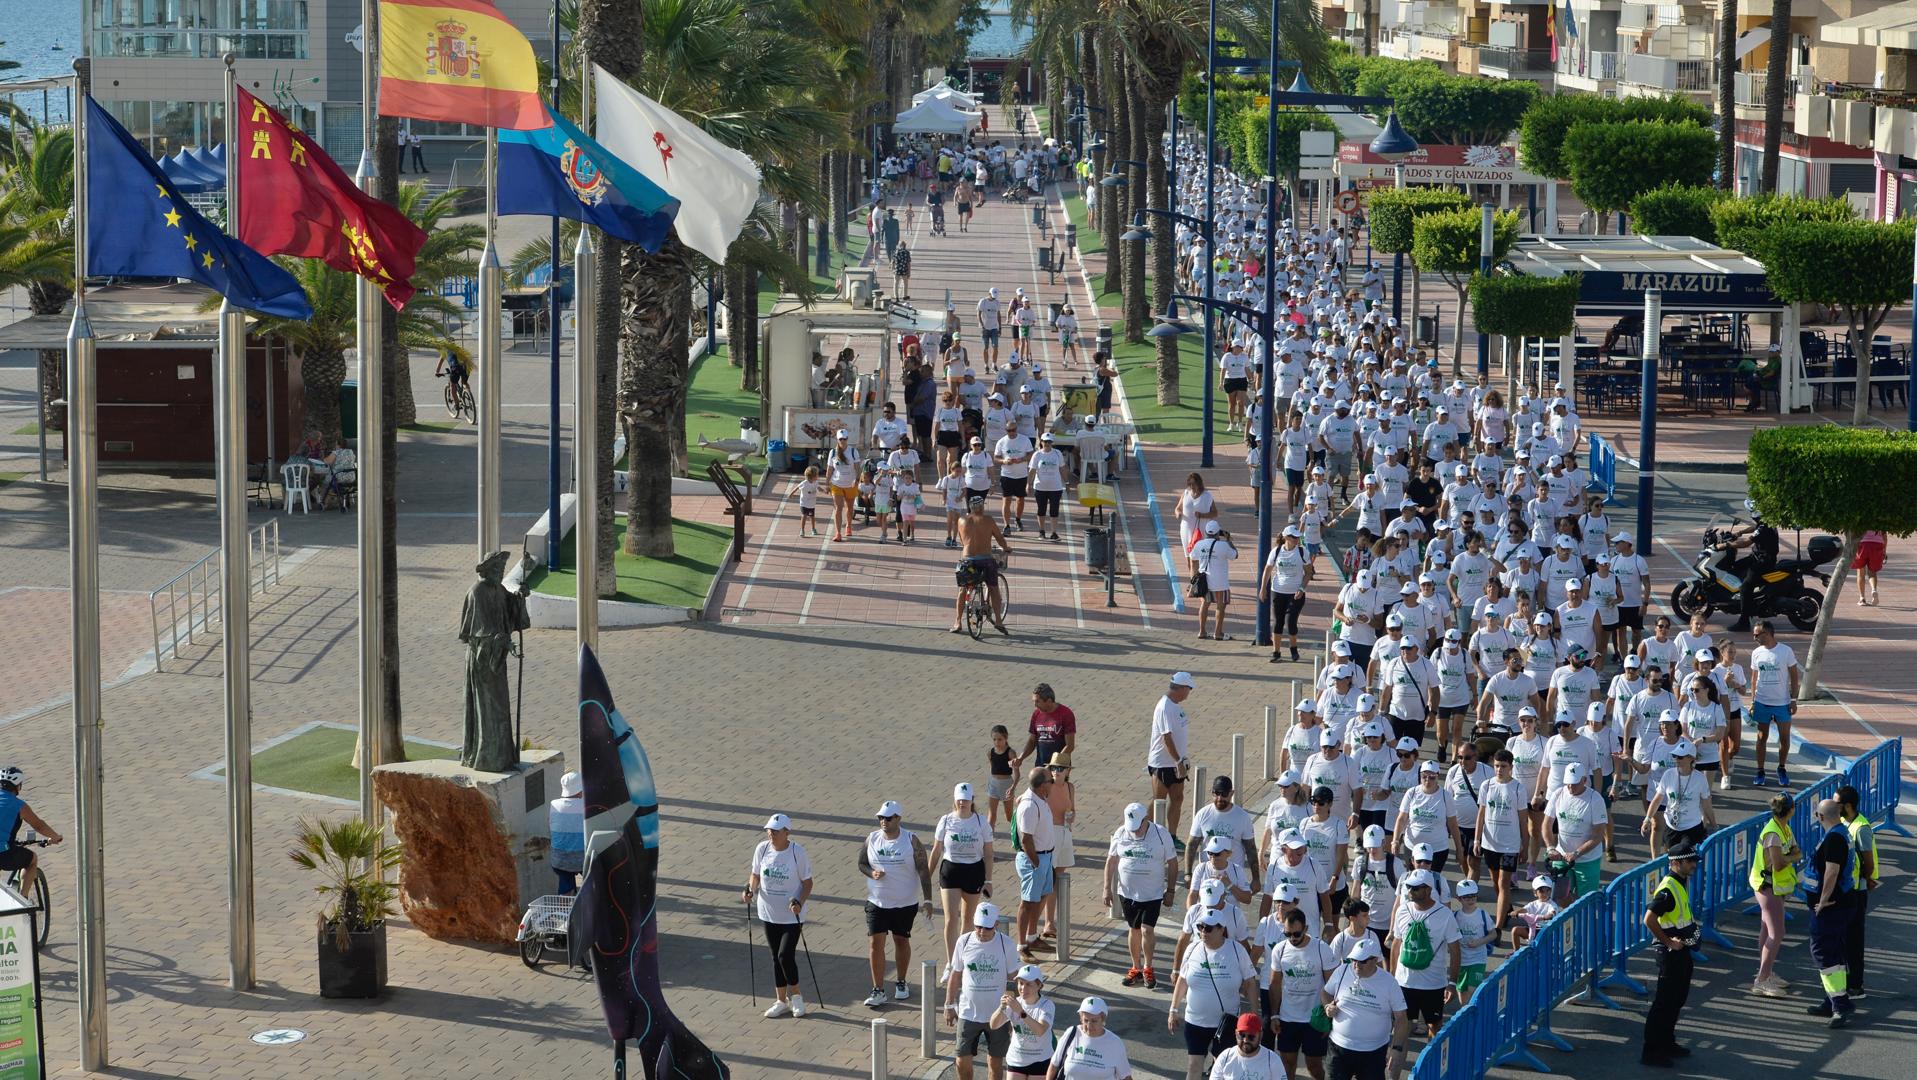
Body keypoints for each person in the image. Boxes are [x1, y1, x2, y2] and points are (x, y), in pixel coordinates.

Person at [860, 800, 934, 1008]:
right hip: (877, 902)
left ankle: (901, 982)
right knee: (876, 944)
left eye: (888, 818)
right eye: (881, 818)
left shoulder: (911, 840)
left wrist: (928, 900)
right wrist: (871, 873)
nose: (884, 821)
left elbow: (923, 869)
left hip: (905, 903)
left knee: (901, 941)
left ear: (898, 819)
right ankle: (878, 990)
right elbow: (862, 863)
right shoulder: (872, 839)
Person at [1169, 911, 1260, 1080]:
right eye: (1200, 927)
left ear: (1221, 929)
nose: (1203, 932)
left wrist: (1254, 1013)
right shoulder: (1192, 948)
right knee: (1194, 1065)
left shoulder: (1236, 950)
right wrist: (1173, 1009)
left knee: (1222, 1068)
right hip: (1195, 1021)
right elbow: (1182, 980)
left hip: (1225, 1022)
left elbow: (1250, 982)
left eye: (1208, 928)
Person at [745, 812, 815, 1018]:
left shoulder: (797, 852)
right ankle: (780, 1001)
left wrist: (799, 902)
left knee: (785, 955)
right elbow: (755, 875)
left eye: (775, 831)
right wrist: (750, 889)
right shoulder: (762, 848)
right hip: (768, 912)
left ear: (786, 832)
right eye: (769, 830)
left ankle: (797, 998)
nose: (771, 834)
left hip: (792, 916)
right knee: (776, 957)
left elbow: (807, 883)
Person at [1640, 837, 1700, 1067]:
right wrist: (1668, 942)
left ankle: (1667, 1042)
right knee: (1664, 1003)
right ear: (1677, 862)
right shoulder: (1667, 889)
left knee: (1677, 999)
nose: (1694, 864)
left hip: (1682, 952)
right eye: (1690, 861)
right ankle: (1652, 1051)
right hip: (1671, 954)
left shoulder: (1680, 882)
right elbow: (1649, 919)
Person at [1106, 800, 1179, 989]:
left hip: (1152, 893)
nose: (1135, 831)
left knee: (1147, 929)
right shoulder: (1121, 833)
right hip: (1128, 892)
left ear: (1146, 819)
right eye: (1132, 827)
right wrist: (1107, 888)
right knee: (1134, 929)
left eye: (1138, 827)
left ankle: (1148, 967)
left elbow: (1172, 863)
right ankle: (1136, 967)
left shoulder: (1161, 834)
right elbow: (1111, 861)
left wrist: (1170, 890)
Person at [945, 901, 1021, 1080]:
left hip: (998, 1014)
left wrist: (1013, 1013)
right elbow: (955, 975)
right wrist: (949, 1004)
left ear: (996, 924)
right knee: (961, 1061)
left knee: (995, 1064)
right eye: (978, 926)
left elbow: (1014, 979)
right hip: (968, 1012)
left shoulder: (1006, 944)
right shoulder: (964, 942)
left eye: (987, 928)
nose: (982, 932)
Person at [931, 784, 996, 979]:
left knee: (968, 920)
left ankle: (962, 961)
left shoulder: (980, 822)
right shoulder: (946, 821)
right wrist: (926, 875)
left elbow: (989, 853)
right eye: (959, 799)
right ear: (954, 799)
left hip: (973, 871)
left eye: (966, 799)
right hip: (951, 870)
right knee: (951, 919)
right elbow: (936, 850)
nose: (962, 802)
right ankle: (951, 963)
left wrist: (988, 880)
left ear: (972, 800)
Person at [1320, 936, 1409, 1080]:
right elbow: (1325, 992)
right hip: (1338, 1048)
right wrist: (1327, 1007)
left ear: (1375, 960)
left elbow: (1401, 1018)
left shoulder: (1389, 982)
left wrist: (1396, 1048)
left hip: (1373, 1053)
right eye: (1354, 960)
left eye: (1362, 961)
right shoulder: (1342, 971)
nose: (1356, 965)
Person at [1387, 869, 1460, 1038]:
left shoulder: (1445, 915)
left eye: (1415, 888)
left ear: (1428, 889)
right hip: (1404, 982)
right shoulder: (1402, 910)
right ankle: (1398, 1064)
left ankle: (1432, 1064)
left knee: (1434, 1026)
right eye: (1409, 887)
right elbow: (1397, 944)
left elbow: (1455, 950)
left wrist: (1452, 983)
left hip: (1433, 984)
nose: (1410, 891)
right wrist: (1391, 977)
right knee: (1401, 1026)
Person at [1804, 799, 1858, 1028]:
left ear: (1820, 816)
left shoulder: (1834, 838)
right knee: (1834, 951)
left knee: (1823, 953)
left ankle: (1839, 1004)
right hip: (1842, 903)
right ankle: (1831, 1000)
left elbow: (1832, 871)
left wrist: (1823, 900)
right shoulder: (1841, 833)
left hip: (1831, 907)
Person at [1266, 908, 1336, 1080]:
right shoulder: (1280, 950)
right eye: (1287, 934)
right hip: (1288, 1018)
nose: (1292, 938)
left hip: (1314, 1019)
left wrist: (1330, 1019)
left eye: (1296, 934)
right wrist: (1274, 1015)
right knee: (1287, 1064)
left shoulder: (1322, 949)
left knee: (1314, 1065)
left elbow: (1333, 985)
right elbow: (1274, 984)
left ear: (1306, 929)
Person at [1748, 792, 1799, 998]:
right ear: (1791, 810)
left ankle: (1765, 971)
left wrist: (1791, 855)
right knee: (1776, 933)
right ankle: (1761, 980)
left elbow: (1794, 851)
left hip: (1774, 886)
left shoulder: (1784, 828)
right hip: (1767, 885)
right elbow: (1778, 864)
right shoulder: (1773, 833)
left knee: (1766, 928)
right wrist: (1793, 857)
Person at [1474, 749, 1524, 935]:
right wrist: (1477, 839)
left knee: (1503, 883)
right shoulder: (1487, 785)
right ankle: (1508, 907)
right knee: (1496, 882)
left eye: (1503, 766)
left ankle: (1498, 927)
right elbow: (1481, 813)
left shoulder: (1518, 788)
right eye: (1496, 766)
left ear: (1511, 767)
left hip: (1510, 845)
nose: (1499, 770)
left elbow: (1523, 818)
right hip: (1489, 843)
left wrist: (1523, 844)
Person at [1542, 763, 1609, 898]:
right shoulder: (1558, 794)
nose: (1570, 787)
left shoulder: (1595, 799)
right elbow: (1546, 824)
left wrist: (1577, 853)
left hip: (1587, 860)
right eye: (1568, 783)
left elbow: (1598, 835)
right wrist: (1550, 848)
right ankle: (1571, 918)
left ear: (1584, 780)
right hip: (1562, 857)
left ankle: (1582, 918)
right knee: (1559, 896)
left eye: (1575, 783)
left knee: (1586, 900)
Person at [1837, 783, 1879, 999]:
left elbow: (1868, 862)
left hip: (1857, 891)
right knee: (1844, 937)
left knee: (1854, 939)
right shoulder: (1845, 822)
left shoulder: (1861, 828)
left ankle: (1856, 985)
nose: (1836, 807)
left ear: (1849, 806)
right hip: (1847, 889)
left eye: (1838, 804)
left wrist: (1866, 878)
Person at [1747, 621, 1800, 789]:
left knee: (1784, 738)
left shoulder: (1786, 651)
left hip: (1782, 703)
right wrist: (1753, 701)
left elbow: (1794, 677)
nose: (1754, 637)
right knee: (1761, 737)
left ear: (1768, 633)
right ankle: (1760, 770)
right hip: (1762, 701)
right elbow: (1754, 678)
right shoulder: (1756, 653)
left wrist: (1793, 700)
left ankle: (1782, 768)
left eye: (1757, 634)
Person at [1149, 672, 1197, 842]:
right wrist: (1178, 761)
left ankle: (1172, 836)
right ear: (1181, 688)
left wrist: (1180, 761)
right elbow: (1166, 738)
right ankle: (1142, 832)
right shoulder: (1165, 707)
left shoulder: (1175, 705)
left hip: (1176, 762)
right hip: (1163, 763)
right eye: (1188, 689)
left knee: (1177, 798)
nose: (1189, 692)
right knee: (1158, 802)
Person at [954, 497, 1012, 635]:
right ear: (981, 507)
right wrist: (1006, 548)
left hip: (968, 560)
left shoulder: (961, 520)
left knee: (963, 590)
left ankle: (957, 621)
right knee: (993, 588)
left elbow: (962, 540)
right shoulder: (988, 520)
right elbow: (999, 537)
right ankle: (998, 620)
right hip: (986, 560)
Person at [1261, 525, 1313, 664]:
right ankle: (1276, 652)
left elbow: (1308, 572)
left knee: (1291, 622)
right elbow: (1267, 570)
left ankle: (1293, 648)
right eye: (1294, 537)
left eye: (1298, 537)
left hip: (1296, 593)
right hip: (1278, 591)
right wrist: (1263, 588)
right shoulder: (1276, 551)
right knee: (1278, 622)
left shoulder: (1302, 552)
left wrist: (1302, 588)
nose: (1297, 539)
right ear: (1286, 538)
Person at [1046, 996, 1132, 1079]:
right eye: (1086, 1020)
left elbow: (1125, 1076)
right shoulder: (1071, 1034)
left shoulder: (1115, 1043)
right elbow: (1054, 1065)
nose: (1089, 1026)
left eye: (1094, 1021)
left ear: (1103, 1020)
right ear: (1081, 1019)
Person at [995, 963, 1057, 1078]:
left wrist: (1021, 1012)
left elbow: (1040, 1030)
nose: (1023, 988)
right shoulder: (1013, 1003)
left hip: (1040, 1060)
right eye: (1021, 983)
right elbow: (994, 1025)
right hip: (1016, 1059)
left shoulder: (1047, 1005)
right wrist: (1001, 1007)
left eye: (1029, 984)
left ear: (1039, 986)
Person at [1196, 521, 1240, 641]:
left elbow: (1192, 557)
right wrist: (1229, 540)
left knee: (1204, 604)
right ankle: (1218, 632)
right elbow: (1235, 555)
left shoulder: (1199, 544)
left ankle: (1202, 631)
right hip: (1220, 581)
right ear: (1218, 533)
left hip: (1205, 579)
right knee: (1221, 606)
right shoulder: (1223, 545)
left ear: (1206, 532)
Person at [1211, 1013, 1286, 1079]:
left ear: (1261, 1035)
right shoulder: (1225, 1058)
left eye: (1251, 1036)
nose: (1245, 1040)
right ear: (1236, 1033)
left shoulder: (1272, 1060)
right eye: (1242, 1035)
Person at [1022, 684, 1078, 769]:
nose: (1035, 705)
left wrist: (1052, 765)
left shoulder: (1066, 714)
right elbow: (1032, 741)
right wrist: (1020, 758)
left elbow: (1070, 746)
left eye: (1037, 701)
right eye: (1033, 701)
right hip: (1040, 766)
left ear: (1049, 701)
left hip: (1059, 769)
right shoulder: (1036, 714)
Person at [547, 770, 585, 894]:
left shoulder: (554, 805)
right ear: (580, 790)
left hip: (558, 860)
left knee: (565, 879)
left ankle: (565, 905)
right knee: (592, 876)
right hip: (581, 859)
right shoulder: (586, 805)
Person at [1030, 433, 1068, 541]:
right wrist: (1028, 484)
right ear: (1041, 442)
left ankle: (1054, 532)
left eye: (1049, 442)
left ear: (1052, 443)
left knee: (1054, 510)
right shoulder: (1037, 455)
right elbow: (1032, 470)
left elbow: (1062, 468)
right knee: (1041, 509)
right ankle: (1041, 531)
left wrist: (1067, 482)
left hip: (1055, 487)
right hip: (1040, 487)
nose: (1047, 444)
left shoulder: (1057, 453)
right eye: (1045, 441)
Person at [1852, 529, 1886, 606]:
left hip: (1862, 543)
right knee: (1872, 572)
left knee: (1860, 572)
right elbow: (1884, 535)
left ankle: (1862, 598)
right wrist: (1884, 551)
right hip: (1877, 544)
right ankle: (1874, 590)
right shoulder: (1881, 518)